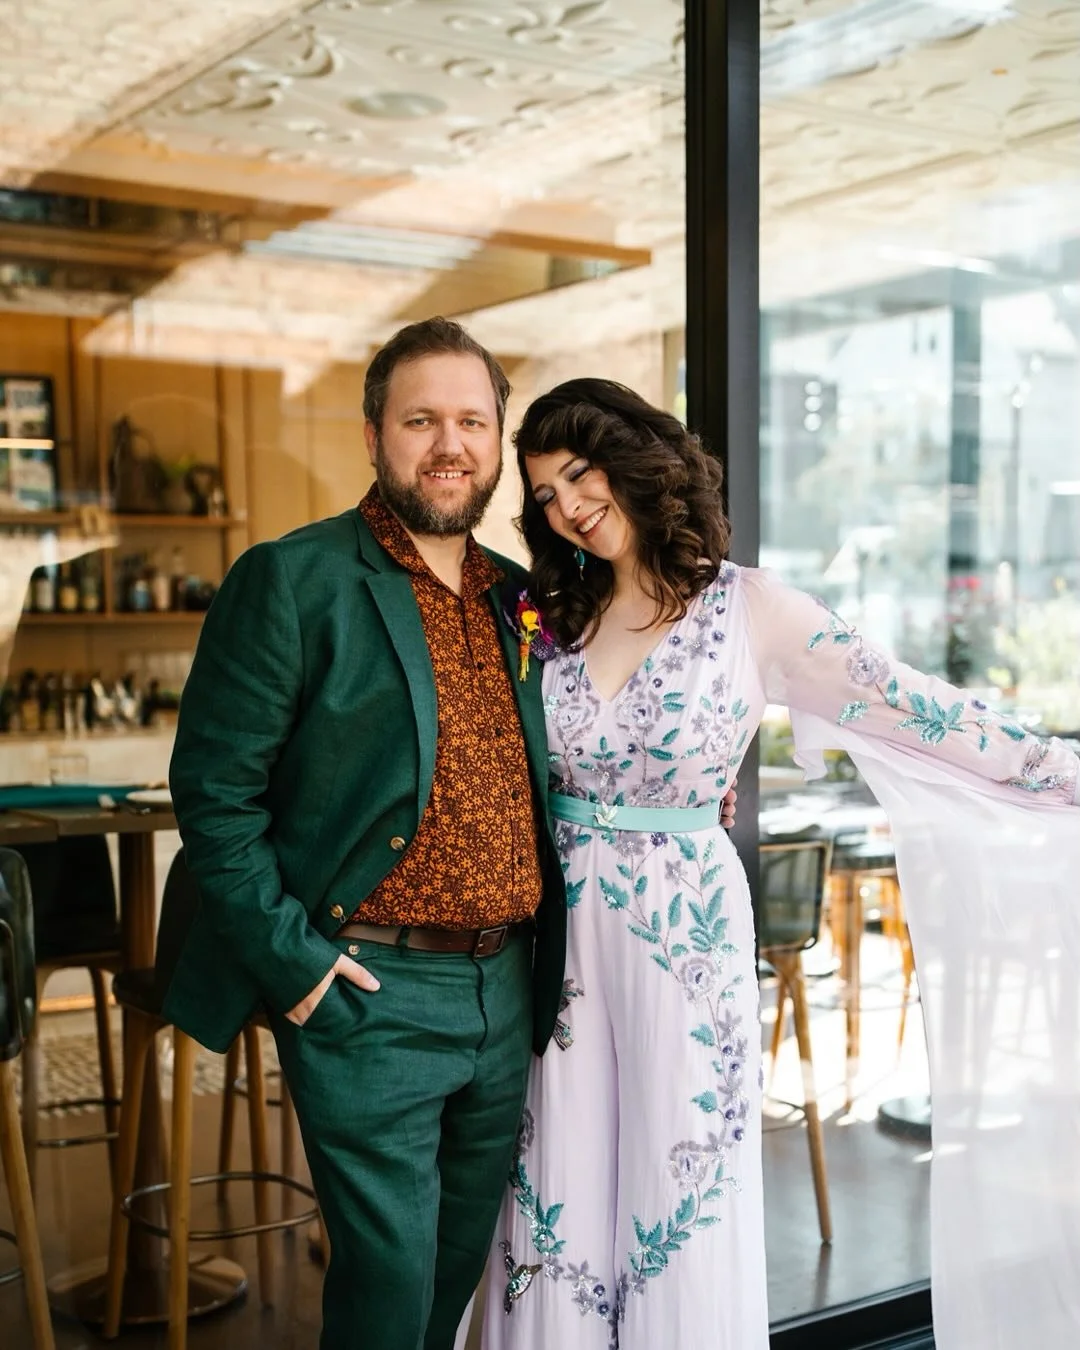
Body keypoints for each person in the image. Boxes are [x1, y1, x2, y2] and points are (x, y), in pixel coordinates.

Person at [481, 377, 1080, 1350]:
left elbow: (915, 705)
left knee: (681, 1191)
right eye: (546, 495)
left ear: (636, 459)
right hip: (562, 944)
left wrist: (1057, 769)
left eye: (580, 475)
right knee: (559, 1180)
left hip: (687, 939)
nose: (569, 508)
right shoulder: (553, 620)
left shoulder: (750, 609)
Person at [164, 318, 572, 1350]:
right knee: (389, 1289)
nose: (450, 443)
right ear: (373, 434)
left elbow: (572, 757)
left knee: (450, 1274)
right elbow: (215, 795)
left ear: (497, 437)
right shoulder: (294, 581)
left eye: (472, 420)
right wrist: (295, 964)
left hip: (506, 989)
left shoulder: (521, 597)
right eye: (422, 419)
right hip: (369, 991)